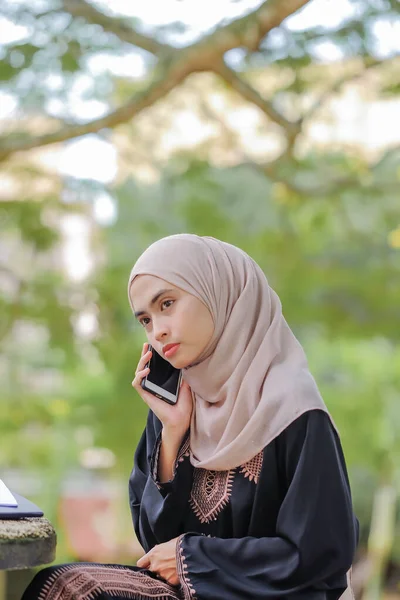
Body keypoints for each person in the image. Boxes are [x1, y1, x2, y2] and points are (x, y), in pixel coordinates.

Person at [22, 234, 358, 600]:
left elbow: (320, 553)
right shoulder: (177, 405)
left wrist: (193, 558)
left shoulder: (294, 410)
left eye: (167, 304)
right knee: (65, 587)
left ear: (219, 293)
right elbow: (152, 545)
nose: (158, 331)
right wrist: (172, 433)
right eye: (146, 320)